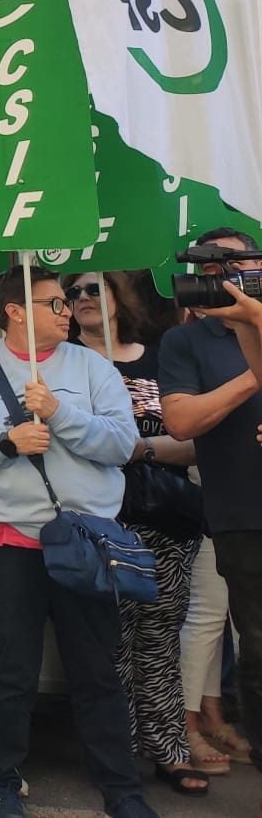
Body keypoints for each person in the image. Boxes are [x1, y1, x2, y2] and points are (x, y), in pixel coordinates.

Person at [0, 266, 156, 818]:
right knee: (8, 670)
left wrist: (60, 414)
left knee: (97, 669)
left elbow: (122, 442)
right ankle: (0, 784)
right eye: (54, 302)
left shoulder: (92, 366)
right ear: (15, 311)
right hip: (4, 539)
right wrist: (5, 442)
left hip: (85, 541)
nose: (67, 310)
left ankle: (121, 790)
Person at [67, 271, 205, 795]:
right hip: (101, 520)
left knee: (159, 637)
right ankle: (117, 754)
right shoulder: (63, 363)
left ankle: (169, 750)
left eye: (90, 290)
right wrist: (140, 443)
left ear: (119, 298)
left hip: (166, 517)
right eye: (71, 293)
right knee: (111, 644)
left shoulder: (160, 356)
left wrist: (134, 448)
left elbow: (190, 438)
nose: (79, 299)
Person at [160, 230, 262, 770]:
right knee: (257, 647)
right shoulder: (186, 343)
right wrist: (253, 368)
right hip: (240, 512)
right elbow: (180, 422)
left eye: (239, 261)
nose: (230, 274)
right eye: (215, 267)